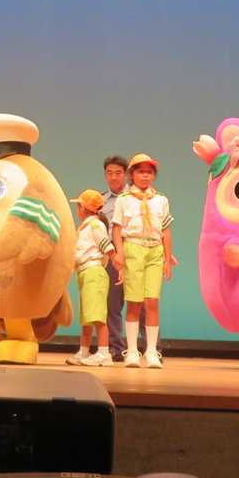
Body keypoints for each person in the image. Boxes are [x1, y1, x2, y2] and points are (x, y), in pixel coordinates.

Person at [111, 153, 174, 369]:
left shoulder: (161, 200)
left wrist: (167, 258)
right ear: (132, 175)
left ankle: (151, 351)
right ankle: (131, 351)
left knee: (152, 301)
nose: (145, 176)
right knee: (134, 303)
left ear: (153, 175)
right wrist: (119, 253)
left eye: (149, 172)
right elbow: (117, 228)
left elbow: (166, 230)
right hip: (134, 248)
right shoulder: (124, 199)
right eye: (140, 172)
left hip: (154, 250)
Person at [100, 154, 146, 362]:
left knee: (141, 303)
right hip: (112, 256)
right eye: (109, 173)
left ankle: (149, 347)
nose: (113, 177)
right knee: (113, 304)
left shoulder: (137, 198)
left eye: (118, 173)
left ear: (126, 175)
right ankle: (116, 348)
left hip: (136, 252)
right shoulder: (100, 201)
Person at [68, 188, 114, 366]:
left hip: (93, 272)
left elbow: (106, 246)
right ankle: (84, 351)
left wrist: (118, 264)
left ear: (83, 208)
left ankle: (104, 353)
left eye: (78, 206)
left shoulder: (95, 225)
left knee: (97, 316)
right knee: (87, 316)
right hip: (85, 273)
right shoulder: (86, 226)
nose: (77, 210)